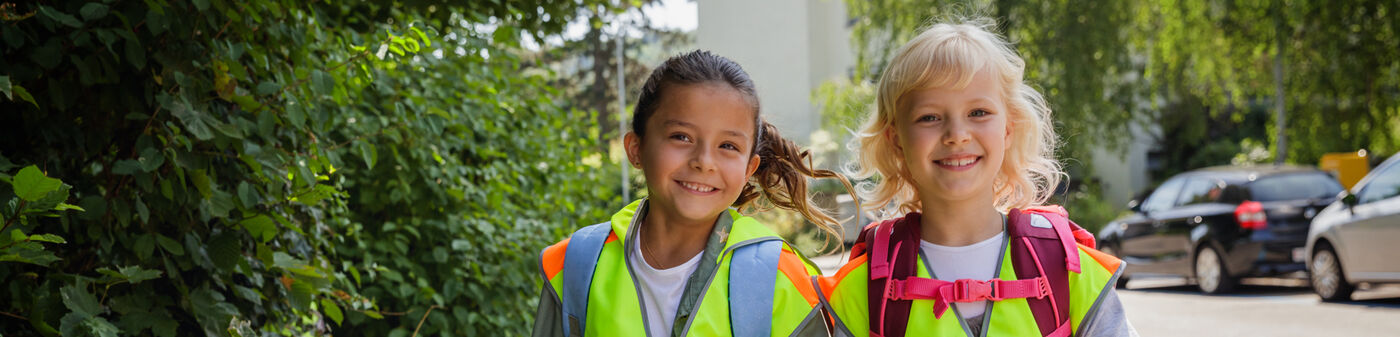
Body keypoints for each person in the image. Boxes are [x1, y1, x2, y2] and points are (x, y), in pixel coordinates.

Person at [815, 19, 1138, 337]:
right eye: (929, 117)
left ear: (1008, 129)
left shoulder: (1070, 271)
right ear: (896, 139)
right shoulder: (863, 288)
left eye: (978, 113)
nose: (957, 135)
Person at [532, 50, 851, 337]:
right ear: (636, 148)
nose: (704, 162)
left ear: (748, 169)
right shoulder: (573, 266)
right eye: (681, 137)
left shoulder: (780, 279)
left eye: (728, 146)